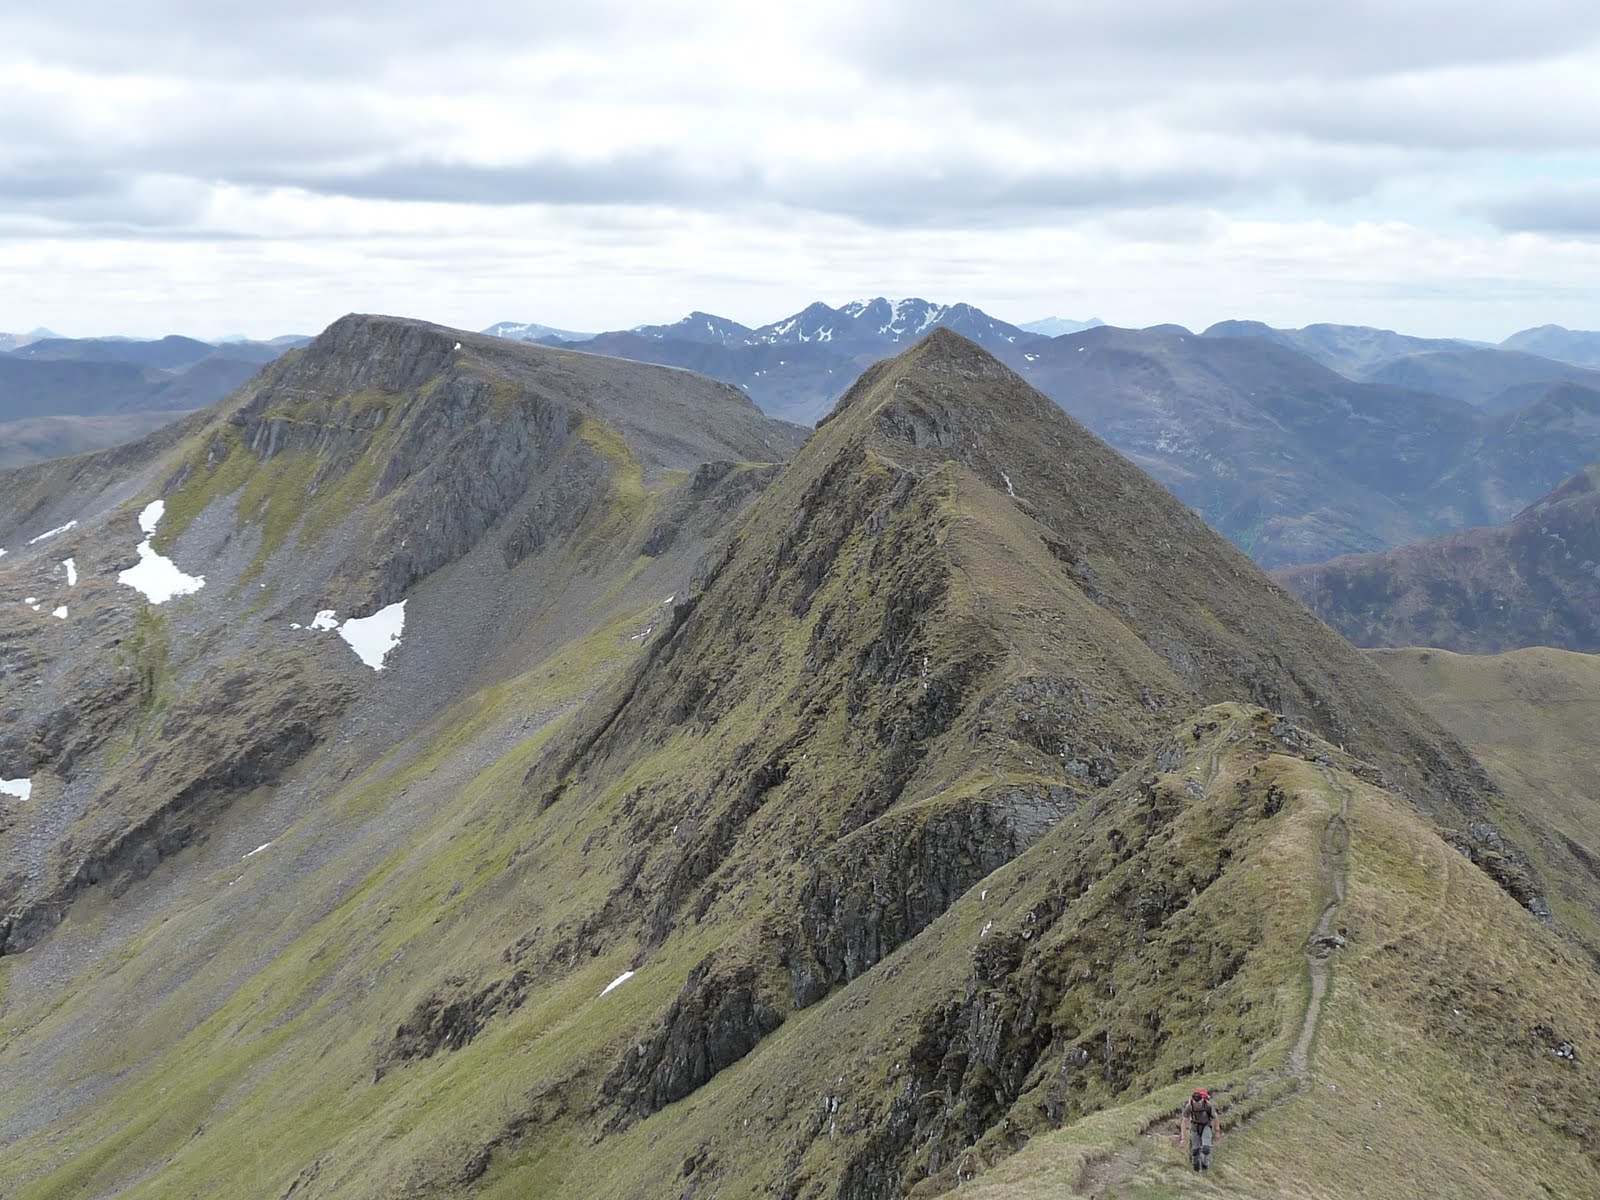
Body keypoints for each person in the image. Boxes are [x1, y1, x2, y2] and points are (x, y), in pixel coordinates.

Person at [1178, 1087, 1220, 1171]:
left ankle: (1205, 1162)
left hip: (1206, 1126)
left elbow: (1215, 1117)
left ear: (1203, 1100)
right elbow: (1184, 1121)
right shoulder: (1189, 1107)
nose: (1196, 1103)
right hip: (1194, 1128)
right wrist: (1183, 1138)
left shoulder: (1208, 1105)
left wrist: (1217, 1131)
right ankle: (1196, 1169)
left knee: (1206, 1148)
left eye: (1198, 1101)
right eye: (1195, 1101)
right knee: (1195, 1151)